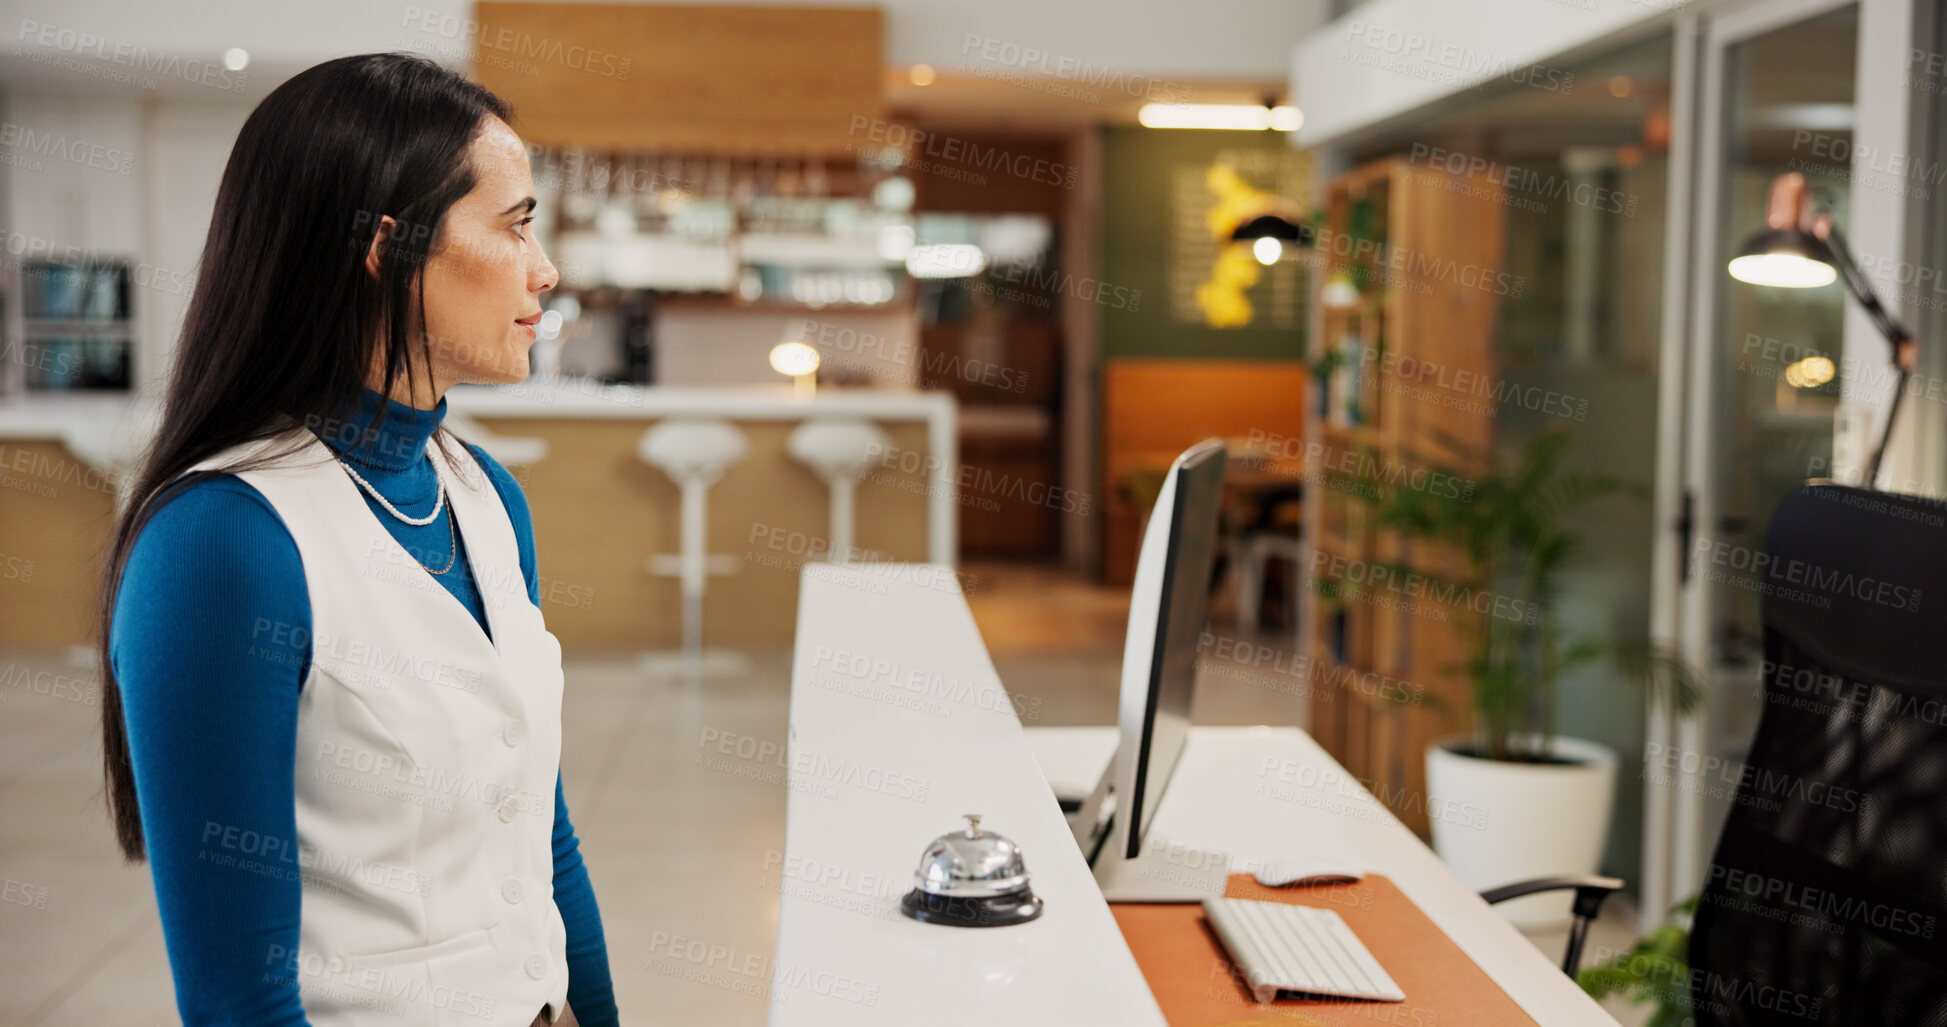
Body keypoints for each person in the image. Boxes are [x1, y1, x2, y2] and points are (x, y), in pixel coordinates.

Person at [98, 52, 617, 1026]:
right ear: (387, 246)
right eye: (514, 227)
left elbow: (542, 842)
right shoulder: (224, 545)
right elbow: (235, 999)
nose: (544, 270)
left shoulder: (485, 496)